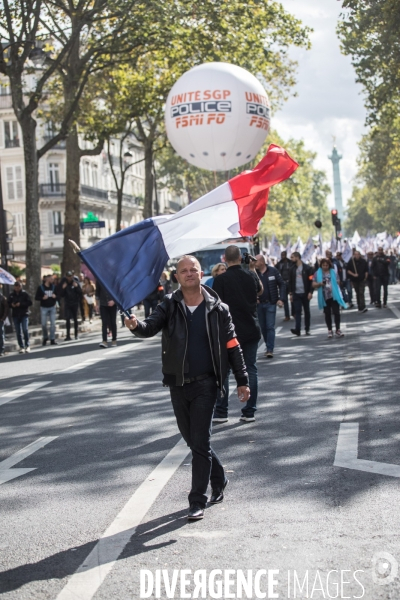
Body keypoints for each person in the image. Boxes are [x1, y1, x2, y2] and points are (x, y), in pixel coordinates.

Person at [125, 255, 249, 521]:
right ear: (177, 276)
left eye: (194, 269)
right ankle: (219, 477)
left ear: (201, 274)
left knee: (201, 442)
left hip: (207, 383)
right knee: (193, 441)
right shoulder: (170, 304)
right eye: (184, 271)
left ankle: (197, 500)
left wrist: (242, 379)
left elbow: (232, 346)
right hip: (178, 383)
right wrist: (136, 326)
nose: (189, 273)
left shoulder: (218, 308)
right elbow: (150, 327)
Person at [213, 245, 263, 422]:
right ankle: (249, 411)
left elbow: (216, 307)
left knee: (224, 371)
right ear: (241, 258)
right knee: (250, 368)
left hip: (229, 331)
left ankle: (221, 411)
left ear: (224, 259)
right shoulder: (250, 276)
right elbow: (260, 290)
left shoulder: (221, 280)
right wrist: (252, 269)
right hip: (251, 328)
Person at [255, 253, 285, 358]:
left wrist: (281, 299)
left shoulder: (273, 271)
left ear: (262, 262)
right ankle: (268, 345)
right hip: (259, 304)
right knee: (263, 327)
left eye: (256, 261)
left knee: (270, 326)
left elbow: (282, 284)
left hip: (271, 303)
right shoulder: (254, 273)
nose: (254, 263)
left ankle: (269, 349)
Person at [312, 258, 346, 338]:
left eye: (327, 265)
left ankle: (338, 329)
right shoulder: (317, 273)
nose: (325, 267)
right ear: (321, 265)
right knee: (327, 313)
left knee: (336, 312)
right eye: (323, 265)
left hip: (334, 295)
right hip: (324, 296)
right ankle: (329, 329)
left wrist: (335, 282)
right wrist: (320, 283)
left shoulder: (333, 272)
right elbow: (313, 284)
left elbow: (338, 281)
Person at [288, 251, 314, 336]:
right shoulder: (292, 269)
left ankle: (307, 329)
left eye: (292, 257)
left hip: (305, 293)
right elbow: (290, 282)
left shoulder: (307, 268)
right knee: (297, 311)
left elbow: (311, 281)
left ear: (297, 257)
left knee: (307, 311)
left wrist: (310, 292)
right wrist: (291, 293)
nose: (291, 259)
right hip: (296, 294)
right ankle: (297, 329)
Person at [9, 281, 32, 353]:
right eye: (15, 288)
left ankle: (27, 345)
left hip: (24, 313)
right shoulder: (12, 295)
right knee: (18, 331)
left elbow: (30, 302)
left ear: (21, 287)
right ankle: (21, 346)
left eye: (18, 287)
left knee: (25, 329)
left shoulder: (25, 294)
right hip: (15, 314)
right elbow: (8, 303)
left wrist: (21, 304)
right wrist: (12, 305)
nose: (17, 289)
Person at [35, 274, 58, 345]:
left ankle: (52, 339)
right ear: (47, 279)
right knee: (44, 324)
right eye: (51, 279)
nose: (52, 280)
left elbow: (59, 296)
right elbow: (36, 297)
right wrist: (42, 298)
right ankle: (45, 337)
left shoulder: (54, 287)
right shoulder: (41, 287)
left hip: (52, 307)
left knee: (53, 324)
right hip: (44, 307)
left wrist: (55, 296)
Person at [96, 279, 117, 347]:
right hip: (103, 304)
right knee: (104, 323)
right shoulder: (99, 279)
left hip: (113, 304)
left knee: (112, 322)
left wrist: (114, 301)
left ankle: (114, 340)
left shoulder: (112, 278)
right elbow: (97, 293)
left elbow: (117, 292)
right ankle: (104, 341)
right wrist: (97, 305)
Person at [62, 271, 82, 341]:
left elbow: (80, 292)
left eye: (71, 276)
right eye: (68, 276)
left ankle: (76, 334)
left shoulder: (75, 282)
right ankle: (68, 335)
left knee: (75, 318)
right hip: (67, 303)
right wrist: (63, 288)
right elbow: (61, 294)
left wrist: (76, 287)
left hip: (75, 303)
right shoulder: (64, 283)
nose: (70, 278)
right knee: (67, 319)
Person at [276, 251, 292, 320]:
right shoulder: (279, 264)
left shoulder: (290, 263)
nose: (282, 256)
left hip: (290, 283)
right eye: (281, 255)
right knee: (284, 299)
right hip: (283, 283)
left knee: (293, 299)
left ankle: (294, 312)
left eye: (283, 255)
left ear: (286, 255)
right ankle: (287, 315)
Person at [0, 289, 8, 357]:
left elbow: (6, 308)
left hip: (0, 319)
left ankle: (1, 350)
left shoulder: (2, 297)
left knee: (1, 335)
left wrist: (3, 318)